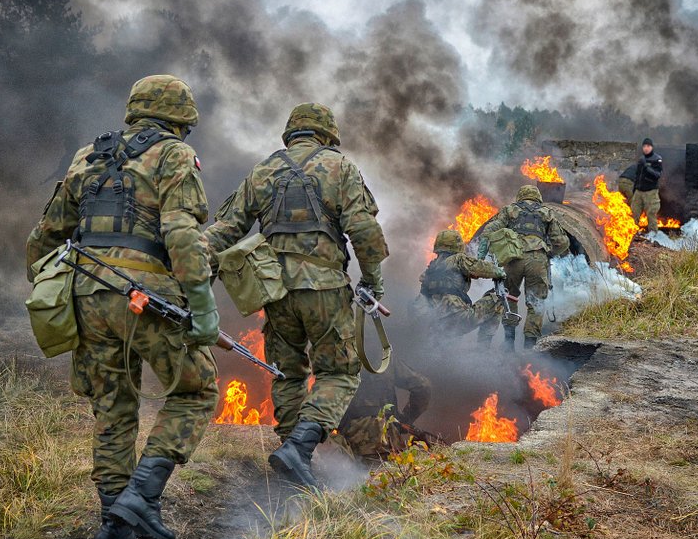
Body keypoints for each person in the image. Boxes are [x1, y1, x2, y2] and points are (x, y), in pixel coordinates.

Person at [26, 75, 220, 539]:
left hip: (87, 293)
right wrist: (203, 305)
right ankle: (140, 497)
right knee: (196, 389)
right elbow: (181, 233)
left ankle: (112, 526)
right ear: (181, 117)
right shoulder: (174, 154)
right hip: (145, 294)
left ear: (135, 110)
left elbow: (45, 236)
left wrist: (53, 288)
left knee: (112, 407)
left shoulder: (87, 155)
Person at [203, 102, 388, 488]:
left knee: (287, 374)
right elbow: (365, 232)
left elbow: (225, 229)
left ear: (291, 134)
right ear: (328, 135)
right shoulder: (340, 167)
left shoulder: (264, 170)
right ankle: (299, 450)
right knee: (339, 371)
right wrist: (372, 283)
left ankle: (291, 455)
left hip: (272, 290)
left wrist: (190, 268)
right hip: (324, 289)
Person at [477, 185, 569, 350]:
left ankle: (509, 342)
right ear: (538, 198)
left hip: (513, 259)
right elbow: (562, 242)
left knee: (508, 297)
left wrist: (481, 257)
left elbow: (489, 230)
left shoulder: (510, 210)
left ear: (520, 196)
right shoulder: (547, 213)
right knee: (536, 303)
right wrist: (549, 254)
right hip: (537, 261)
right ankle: (529, 347)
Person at [411, 229, 508, 344]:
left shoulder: (431, 269)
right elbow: (481, 267)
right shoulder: (458, 259)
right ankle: (483, 350)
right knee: (497, 299)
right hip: (455, 319)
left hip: (433, 324)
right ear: (457, 245)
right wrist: (499, 272)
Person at [337, 360, 434, 459]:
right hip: (391, 442)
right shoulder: (384, 358)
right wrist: (406, 419)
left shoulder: (338, 359)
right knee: (395, 474)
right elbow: (423, 387)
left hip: (354, 444)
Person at [631, 137, 663, 231]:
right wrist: (634, 189)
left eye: (648, 146)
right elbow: (638, 175)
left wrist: (646, 167)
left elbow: (657, 175)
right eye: (644, 146)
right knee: (634, 213)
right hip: (639, 191)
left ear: (652, 147)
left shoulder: (657, 159)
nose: (646, 148)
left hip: (651, 192)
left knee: (651, 214)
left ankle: (653, 239)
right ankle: (631, 234)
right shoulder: (641, 159)